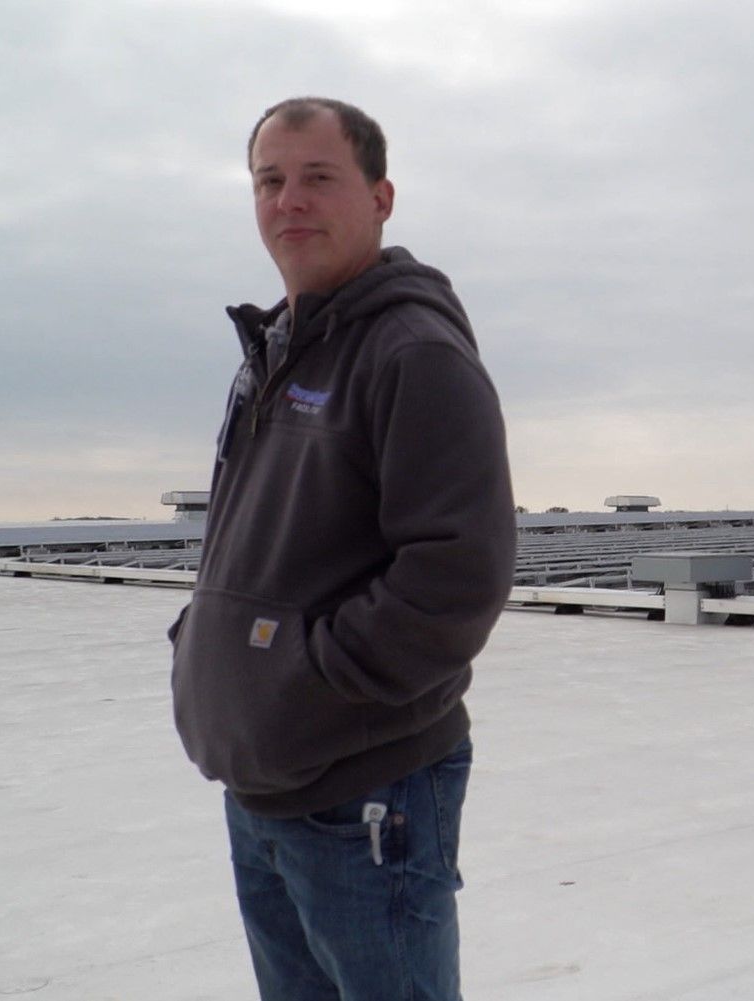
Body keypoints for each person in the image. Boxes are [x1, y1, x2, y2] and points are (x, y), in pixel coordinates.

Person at [168, 96, 516, 1001]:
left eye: (318, 178)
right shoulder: (279, 349)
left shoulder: (411, 352)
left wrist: (303, 678)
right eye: (269, 181)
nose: (290, 201)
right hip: (268, 786)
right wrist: (204, 643)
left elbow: (456, 576)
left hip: (367, 791)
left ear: (381, 196)